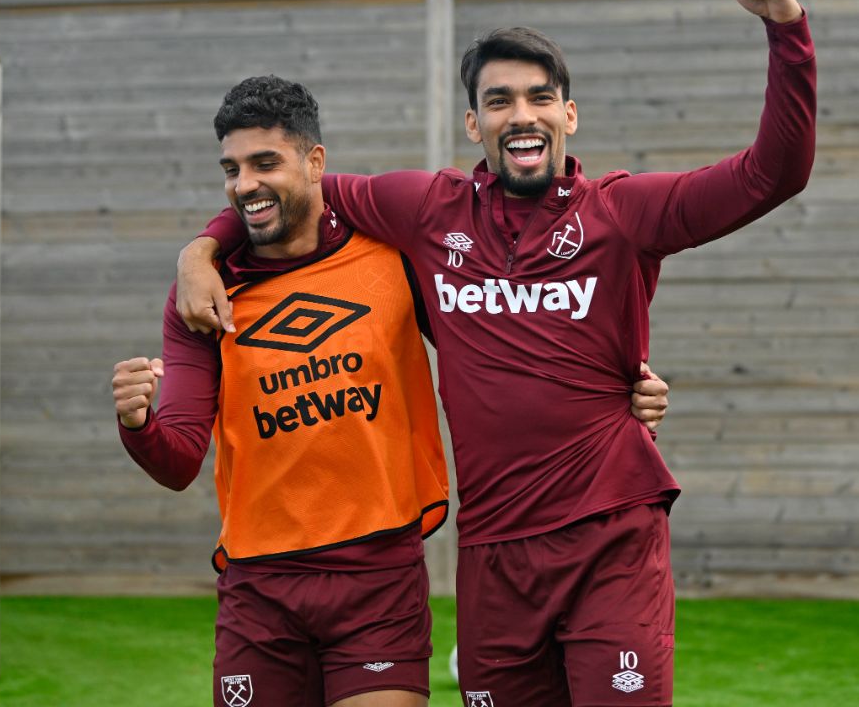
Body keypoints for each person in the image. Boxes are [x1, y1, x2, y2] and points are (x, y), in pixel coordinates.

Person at [177, 0, 814, 707]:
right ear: (475, 122)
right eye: (500, 100)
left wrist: (786, 29)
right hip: (491, 553)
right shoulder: (425, 209)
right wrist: (202, 249)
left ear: (568, 116)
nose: (523, 115)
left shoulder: (622, 212)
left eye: (541, 98)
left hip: (608, 532)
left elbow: (771, 175)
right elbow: (286, 192)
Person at [113, 77, 671, 707]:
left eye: (265, 163)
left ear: (315, 162)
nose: (245, 184)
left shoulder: (394, 257)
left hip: (379, 579)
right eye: (232, 169)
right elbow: (181, 459)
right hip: (258, 587)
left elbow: (504, 344)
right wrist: (139, 425)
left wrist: (617, 389)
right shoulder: (206, 292)